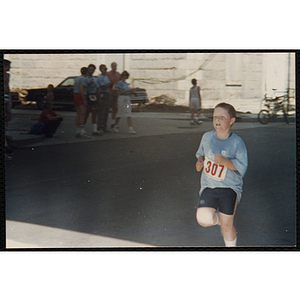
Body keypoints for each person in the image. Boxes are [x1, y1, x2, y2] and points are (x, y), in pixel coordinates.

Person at [195, 102, 248, 247]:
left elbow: (242, 167)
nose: (217, 120)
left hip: (229, 188)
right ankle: (222, 220)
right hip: (209, 186)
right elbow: (200, 154)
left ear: (232, 121)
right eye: (214, 117)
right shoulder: (206, 137)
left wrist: (225, 162)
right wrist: (200, 161)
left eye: (222, 117)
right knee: (203, 219)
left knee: (227, 226)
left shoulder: (237, 142)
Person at [73, 67, 91, 138]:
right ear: (86, 72)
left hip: (76, 95)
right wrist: (84, 99)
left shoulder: (77, 79)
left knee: (78, 114)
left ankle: (77, 131)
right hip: (81, 96)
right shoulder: (83, 79)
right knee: (83, 114)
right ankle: (82, 131)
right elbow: (81, 88)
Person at [85, 64, 102, 136]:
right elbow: (83, 87)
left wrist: (99, 98)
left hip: (93, 95)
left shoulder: (95, 79)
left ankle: (94, 130)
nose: (91, 71)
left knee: (94, 112)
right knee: (86, 113)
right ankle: (82, 129)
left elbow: (97, 89)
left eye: (92, 70)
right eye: (90, 70)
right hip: (87, 95)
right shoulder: (85, 78)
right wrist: (89, 84)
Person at [97, 64, 113, 133]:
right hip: (102, 93)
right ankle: (99, 127)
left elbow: (109, 85)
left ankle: (104, 127)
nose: (106, 71)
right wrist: (110, 84)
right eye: (104, 69)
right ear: (101, 70)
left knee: (106, 111)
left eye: (106, 69)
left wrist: (111, 83)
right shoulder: (100, 77)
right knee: (101, 111)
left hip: (107, 94)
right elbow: (103, 87)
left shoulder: (106, 77)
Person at [106, 62, 120, 129]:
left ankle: (113, 121)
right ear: (111, 67)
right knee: (108, 107)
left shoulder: (118, 74)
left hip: (116, 92)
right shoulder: (108, 74)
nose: (115, 67)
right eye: (114, 66)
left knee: (115, 107)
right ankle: (104, 122)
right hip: (110, 92)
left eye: (116, 66)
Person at [4, 59, 12, 160]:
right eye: (8, 66)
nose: (10, 68)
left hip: (7, 96)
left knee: (7, 120)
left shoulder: (7, 76)